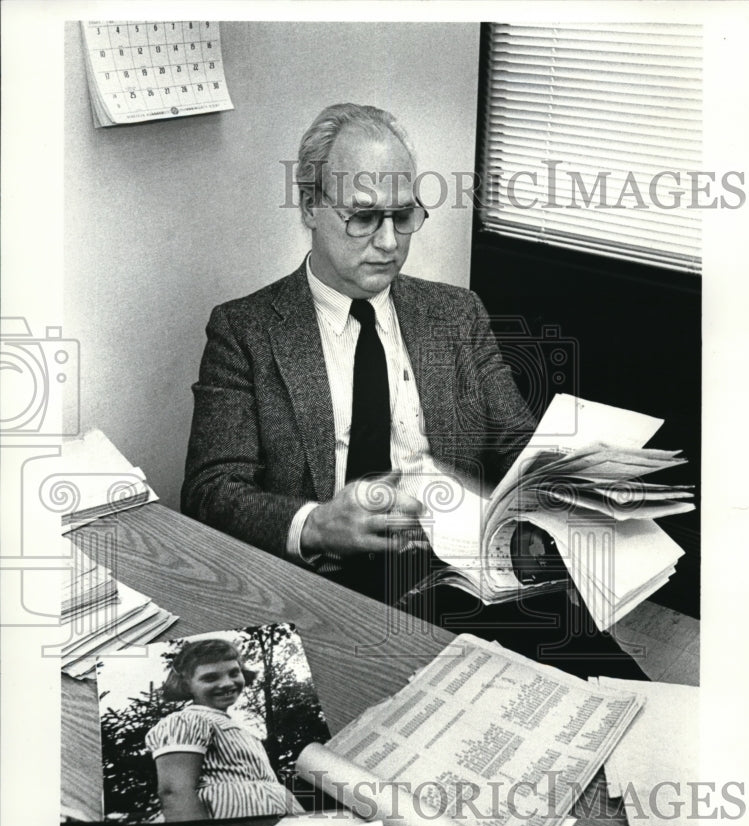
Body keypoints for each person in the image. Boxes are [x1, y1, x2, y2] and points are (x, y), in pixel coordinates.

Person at [181, 102, 646, 680]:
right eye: (363, 217)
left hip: (461, 576)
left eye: (403, 217)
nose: (388, 242)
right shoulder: (246, 330)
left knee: (621, 697)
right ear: (309, 205)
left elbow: (518, 444)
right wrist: (318, 522)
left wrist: (581, 485)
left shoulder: (455, 313)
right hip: (322, 592)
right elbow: (209, 492)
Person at [145, 639, 303, 821]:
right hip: (233, 819)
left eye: (234, 673)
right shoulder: (188, 720)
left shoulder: (239, 729)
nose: (227, 683)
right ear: (187, 685)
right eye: (210, 678)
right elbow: (175, 791)